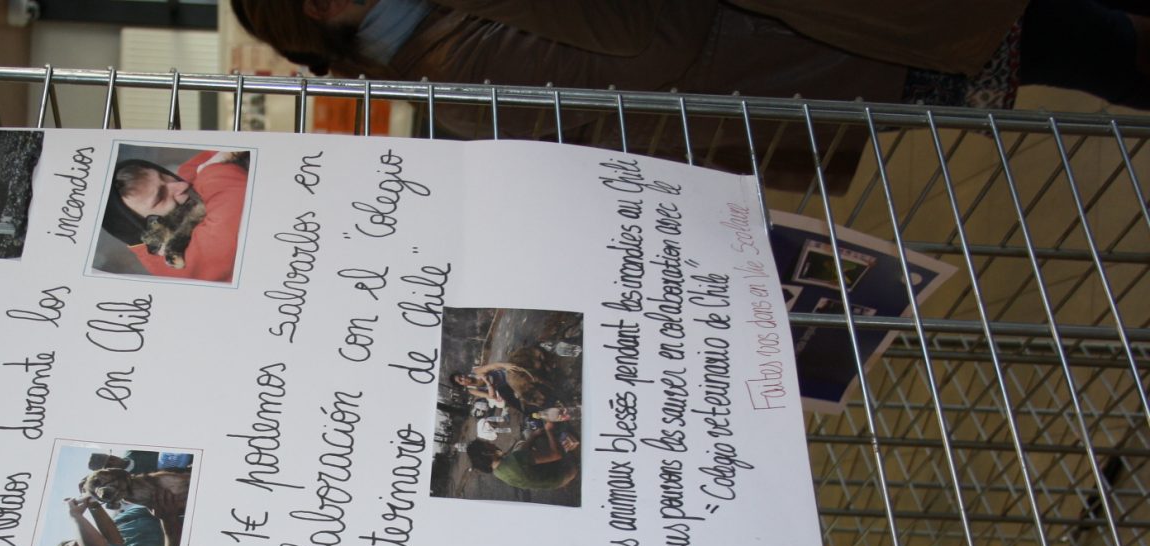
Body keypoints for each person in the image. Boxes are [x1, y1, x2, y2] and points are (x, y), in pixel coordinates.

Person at [229, 0, 1150, 189]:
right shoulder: (445, 53)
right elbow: (651, 44)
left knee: (1077, 38)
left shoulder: (427, 57)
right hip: (822, 51)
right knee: (1087, 40)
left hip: (814, 55)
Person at [99, 151, 250, 282]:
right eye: (161, 197)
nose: (182, 185)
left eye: (163, 176)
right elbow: (238, 196)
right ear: (145, 227)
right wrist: (211, 168)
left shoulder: (187, 178)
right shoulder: (183, 261)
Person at [466, 425, 580, 492]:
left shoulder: (497, 472)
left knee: (530, 437)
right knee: (544, 439)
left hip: (554, 484)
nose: (492, 443)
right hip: (568, 470)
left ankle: (565, 481)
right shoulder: (515, 460)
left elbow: (521, 453)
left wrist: (533, 436)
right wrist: (548, 430)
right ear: (487, 453)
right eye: (488, 444)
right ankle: (571, 452)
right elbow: (556, 455)